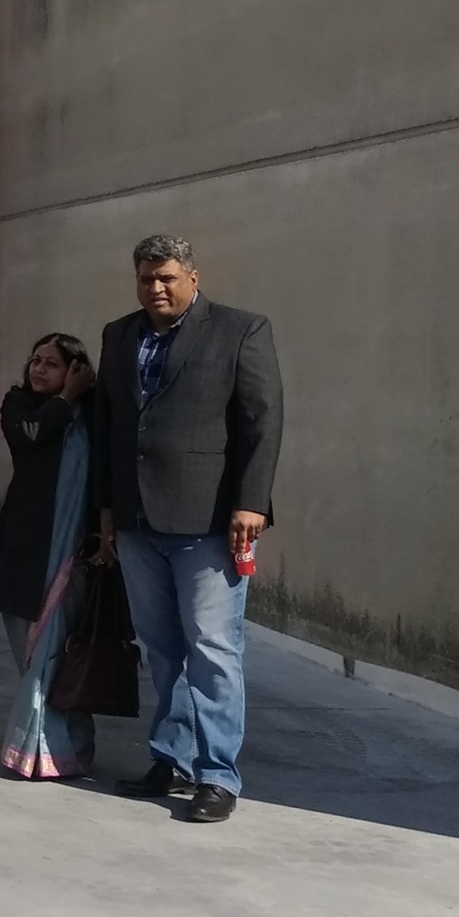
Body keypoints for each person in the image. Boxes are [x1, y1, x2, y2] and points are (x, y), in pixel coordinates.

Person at [94, 235, 282, 823]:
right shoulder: (118, 335)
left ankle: (217, 775)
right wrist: (106, 509)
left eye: (167, 278)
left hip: (209, 520)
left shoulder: (240, 330)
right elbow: (109, 425)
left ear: (193, 278)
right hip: (136, 518)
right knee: (162, 647)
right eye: (146, 278)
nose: (155, 288)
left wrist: (250, 502)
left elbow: (262, 420)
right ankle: (171, 757)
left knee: (213, 648)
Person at [0, 334, 100, 779]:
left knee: (63, 652)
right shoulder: (19, 405)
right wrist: (66, 397)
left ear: (75, 369)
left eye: (51, 363)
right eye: (35, 360)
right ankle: (45, 747)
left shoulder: (94, 413)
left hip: (75, 552)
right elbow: (29, 436)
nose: (38, 369)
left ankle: (60, 748)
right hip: (26, 550)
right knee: (33, 654)